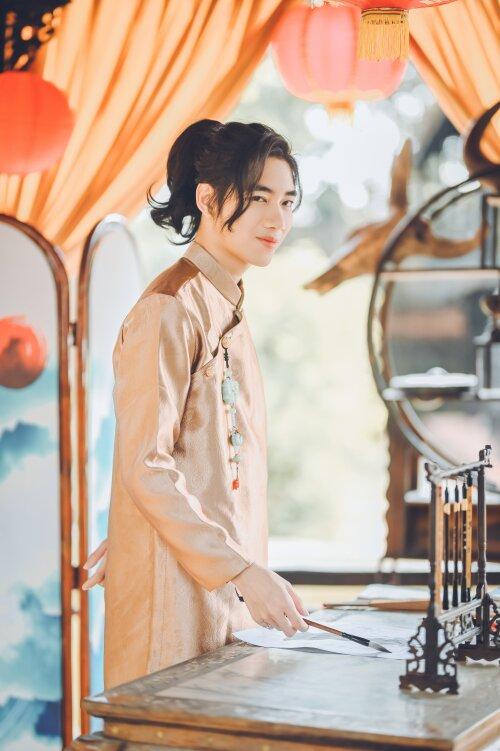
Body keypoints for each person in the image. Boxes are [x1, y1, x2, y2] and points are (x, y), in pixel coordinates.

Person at [83, 119, 310, 690]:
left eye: (287, 201)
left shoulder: (224, 303)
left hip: (221, 585)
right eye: (258, 198)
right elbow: (146, 464)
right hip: (180, 595)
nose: (277, 220)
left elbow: (200, 459)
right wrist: (239, 570)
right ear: (208, 199)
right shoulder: (170, 307)